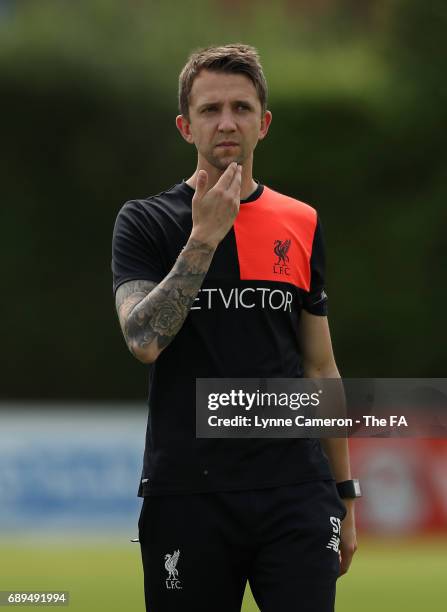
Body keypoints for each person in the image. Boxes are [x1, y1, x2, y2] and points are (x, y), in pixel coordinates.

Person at [112, 43, 359, 612]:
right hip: (187, 495)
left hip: (296, 492)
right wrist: (203, 239)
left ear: (264, 123)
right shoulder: (145, 221)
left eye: (242, 108)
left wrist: (344, 493)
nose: (227, 122)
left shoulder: (300, 221)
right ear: (185, 126)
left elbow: (320, 366)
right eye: (210, 109)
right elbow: (143, 342)